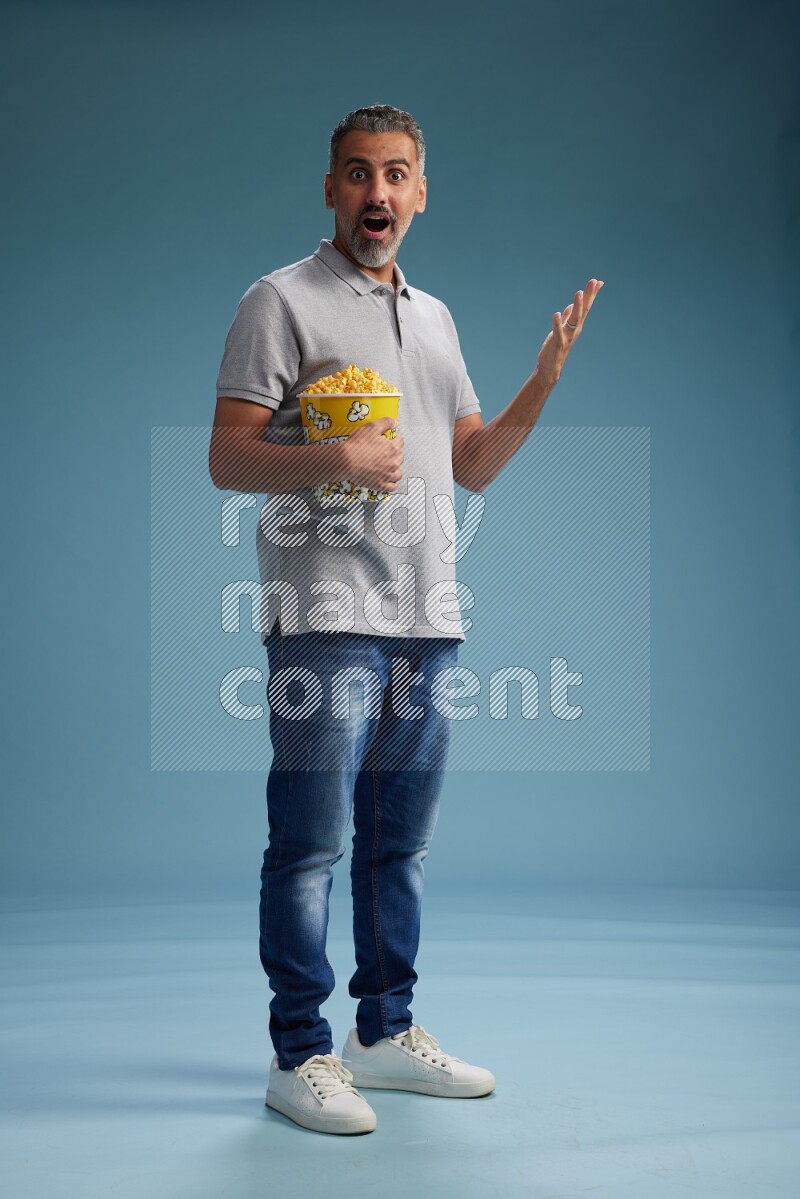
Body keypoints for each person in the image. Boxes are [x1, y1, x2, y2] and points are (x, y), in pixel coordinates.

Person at [210, 104, 603, 1136]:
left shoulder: (433, 316)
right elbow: (227, 455)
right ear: (329, 189)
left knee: (398, 846)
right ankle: (300, 1051)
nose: (375, 194)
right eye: (355, 175)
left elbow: (469, 462)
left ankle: (381, 1034)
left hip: (426, 611)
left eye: (394, 175)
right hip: (326, 611)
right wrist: (333, 458)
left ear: (419, 192)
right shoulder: (278, 300)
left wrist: (540, 386)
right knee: (309, 846)